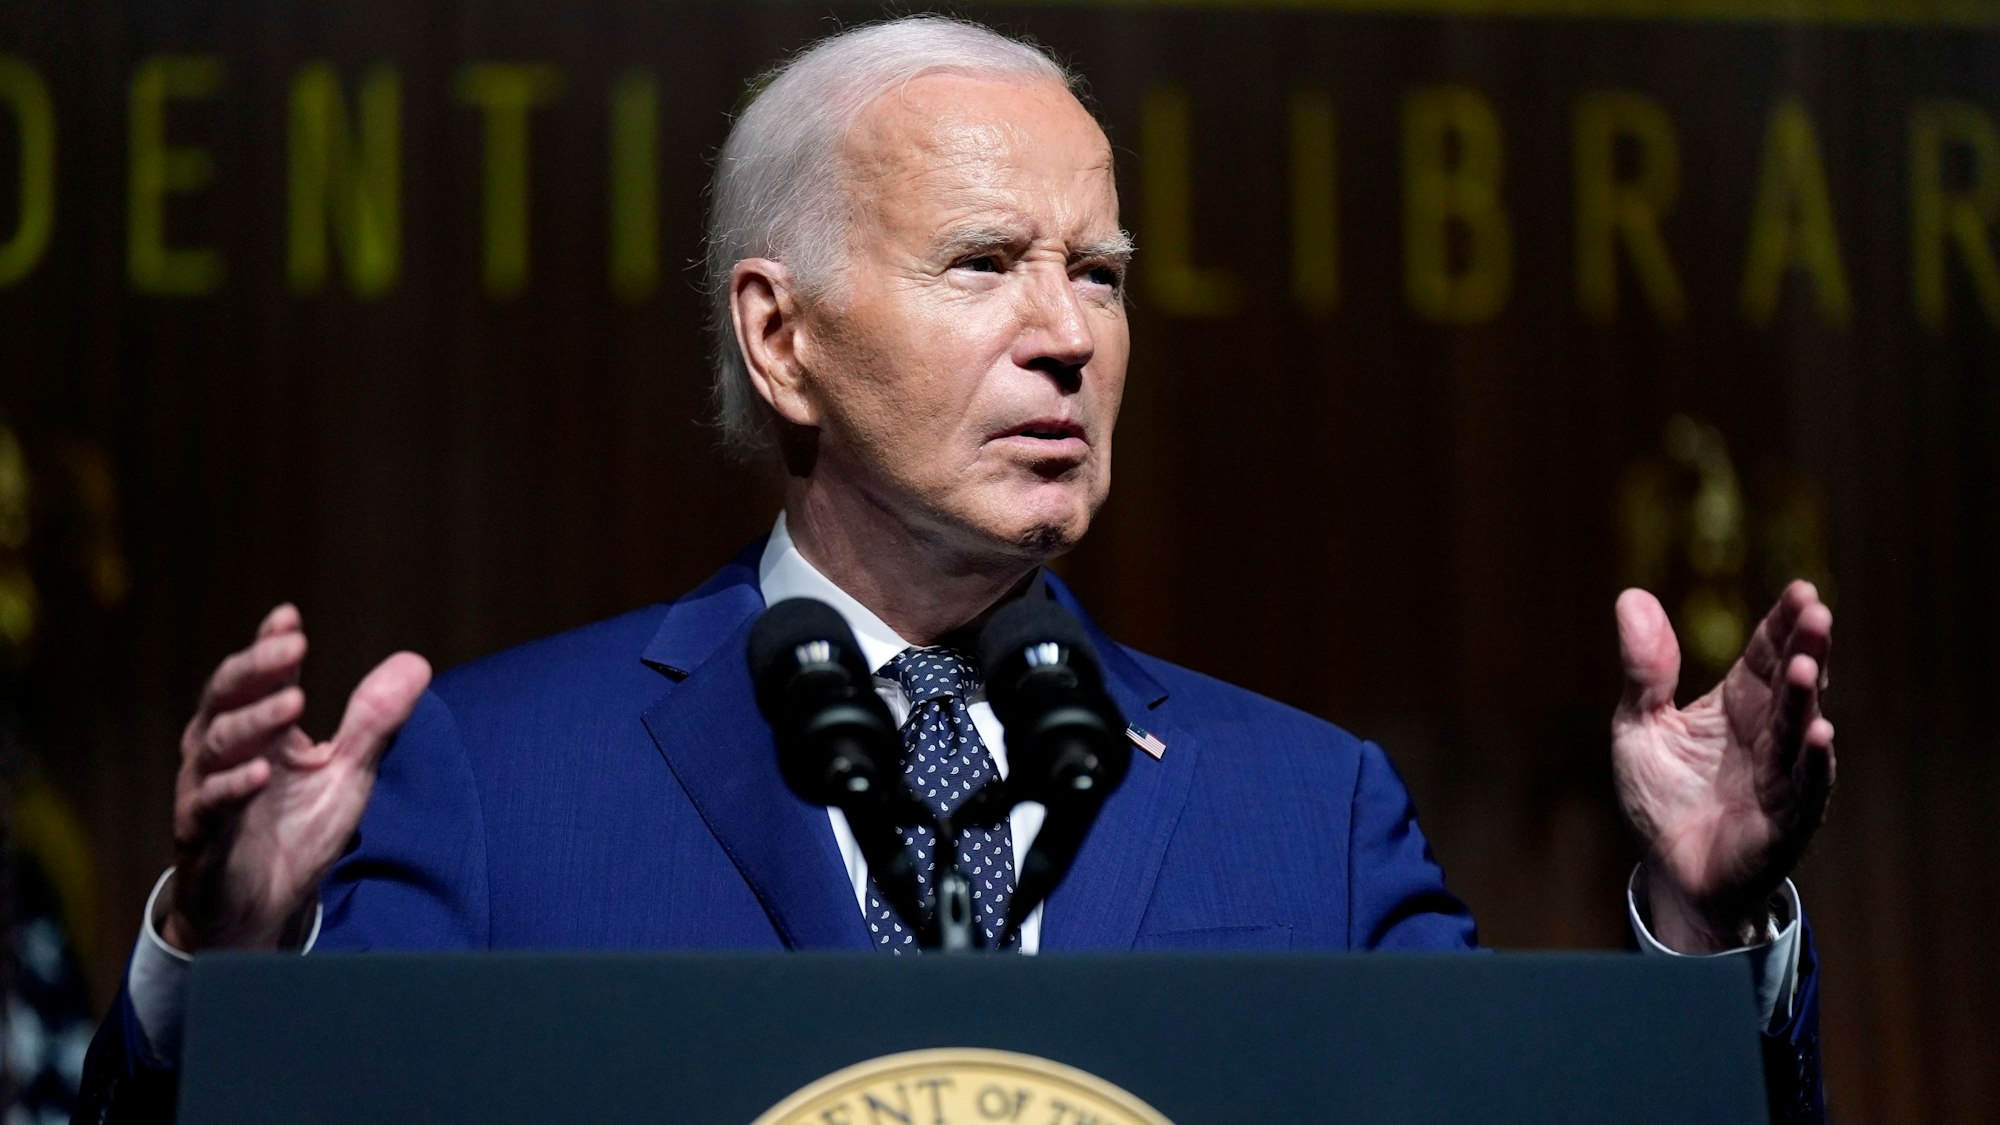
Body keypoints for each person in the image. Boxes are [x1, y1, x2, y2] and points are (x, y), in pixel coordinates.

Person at [77, 15, 1835, 1123]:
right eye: (986, 261)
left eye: (1103, 272)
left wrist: (1703, 929)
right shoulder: (498, 775)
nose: (1068, 335)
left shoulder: (1307, 810)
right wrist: (233, 975)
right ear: (782, 336)